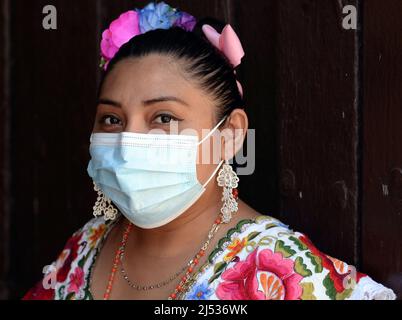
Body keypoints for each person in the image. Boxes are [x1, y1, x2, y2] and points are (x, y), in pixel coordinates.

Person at [23, 1, 396, 300]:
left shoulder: (282, 272)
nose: (126, 142)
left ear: (230, 134)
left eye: (163, 117)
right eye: (111, 120)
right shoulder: (85, 248)